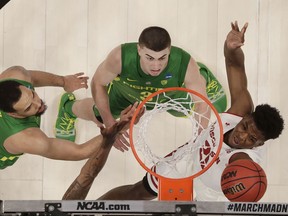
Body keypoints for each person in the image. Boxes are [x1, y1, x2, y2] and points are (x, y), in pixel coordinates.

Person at [88, 21, 283, 201]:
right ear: (246, 117)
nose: (242, 137)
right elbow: (235, 65)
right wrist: (230, 48)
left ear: (259, 144)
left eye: (251, 139)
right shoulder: (241, 108)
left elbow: (242, 165)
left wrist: (246, 185)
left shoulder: (247, 162)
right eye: (245, 127)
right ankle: (92, 209)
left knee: (197, 209)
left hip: (213, 189)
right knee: (140, 191)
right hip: (191, 156)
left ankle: (201, 80)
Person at [55, 26, 227, 152]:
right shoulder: (120, 57)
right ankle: (67, 108)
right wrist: (109, 122)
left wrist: (198, 142)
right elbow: (98, 83)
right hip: (126, 96)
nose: (156, 65)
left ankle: (202, 77)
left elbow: (202, 106)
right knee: (98, 114)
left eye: (162, 58)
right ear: (139, 50)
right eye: (149, 58)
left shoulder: (184, 62)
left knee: (189, 111)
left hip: (169, 96)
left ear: (170, 51)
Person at [0, 65, 138, 170]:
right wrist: (118, 128)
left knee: (100, 113)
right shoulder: (26, 139)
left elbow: (32, 78)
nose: (38, 103)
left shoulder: (17, 74)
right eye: (28, 107)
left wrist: (64, 81)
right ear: (13, 114)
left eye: (32, 94)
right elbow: (79, 152)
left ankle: (68, 109)